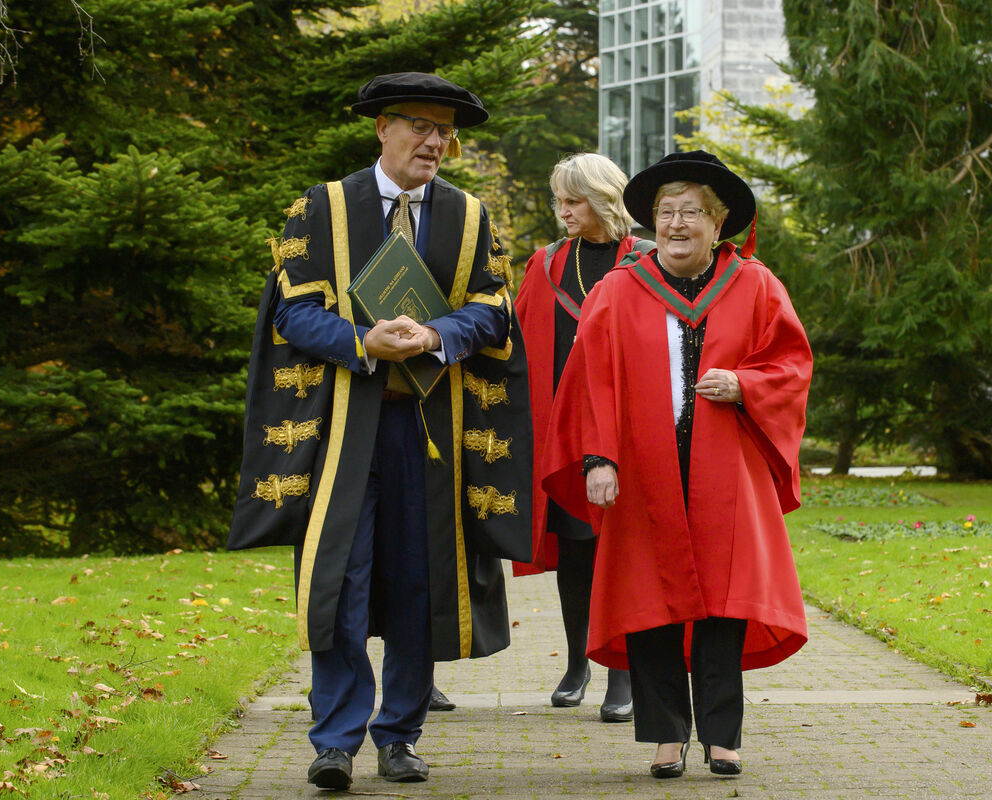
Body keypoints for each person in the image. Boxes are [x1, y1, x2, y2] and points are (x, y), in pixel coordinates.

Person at [227, 72, 532, 792]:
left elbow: (494, 308)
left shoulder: (469, 214)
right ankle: (335, 740)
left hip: (430, 428)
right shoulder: (321, 208)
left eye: (445, 131)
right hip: (342, 431)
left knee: (418, 579)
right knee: (341, 578)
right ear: (381, 129)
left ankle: (399, 736)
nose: (435, 142)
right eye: (421, 126)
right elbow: (293, 315)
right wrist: (367, 343)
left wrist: (433, 334)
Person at [542, 150, 812, 778]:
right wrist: (597, 460)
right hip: (642, 472)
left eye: (692, 212)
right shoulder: (617, 290)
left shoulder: (755, 285)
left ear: (718, 224)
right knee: (650, 601)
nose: (677, 224)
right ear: (651, 222)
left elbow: (791, 367)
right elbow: (589, 383)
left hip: (726, 471)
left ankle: (722, 736)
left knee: (723, 604)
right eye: (666, 212)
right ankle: (666, 737)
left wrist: (745, 385)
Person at [513, 153, 650, 722]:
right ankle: (576, 661)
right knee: (575, 551)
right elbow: (516, 343)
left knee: (622, 549)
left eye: (573, 200)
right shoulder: (546, 264)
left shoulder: (644, 261)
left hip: (627, 428)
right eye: (559, 201)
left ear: (602, 199)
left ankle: (623, 672)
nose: (562, 211)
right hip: (565, 430)